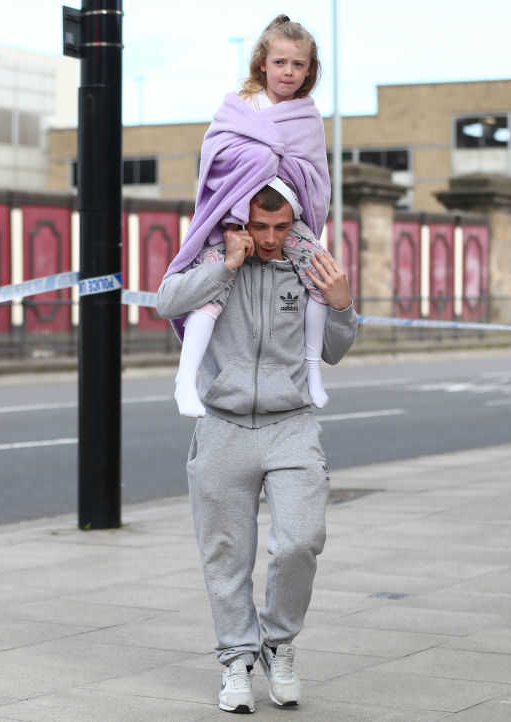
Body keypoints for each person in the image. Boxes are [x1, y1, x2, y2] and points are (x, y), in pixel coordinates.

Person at [156, 185, 358, 714]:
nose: (270, 239)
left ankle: (277, 641)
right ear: (244, 220)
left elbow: (334, 349)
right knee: (226, 556)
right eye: (261, 226)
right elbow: (166, 302)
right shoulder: (219, 259)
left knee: (301, 540)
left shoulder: (306, 264)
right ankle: (236, 660)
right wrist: (226, 265)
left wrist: (343, 305)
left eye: (282, 226)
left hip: (291, 425)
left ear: (296, 222)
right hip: (222, 425)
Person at [163, 15, 332, 419]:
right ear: (262, 63)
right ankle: (184, 379)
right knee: (212, 287)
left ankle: (312, 371)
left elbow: (313, 174)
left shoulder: (307, 116)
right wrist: (262, 159)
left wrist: (275, 161)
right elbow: (214, 158)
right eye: (280, 63)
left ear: (310, 70)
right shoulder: (239, 107)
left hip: (286, 218)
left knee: (322, 277)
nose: (288, 72)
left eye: (298, 65)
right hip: (232, 218)